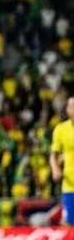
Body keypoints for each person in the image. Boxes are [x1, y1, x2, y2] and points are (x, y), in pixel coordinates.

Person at [50, 96, 74, 226]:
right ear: (67, 110)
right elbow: (53, 154)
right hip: (70, 184)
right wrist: (55, 168)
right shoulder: (61, 129)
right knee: (69, 223)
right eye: (71, 107)